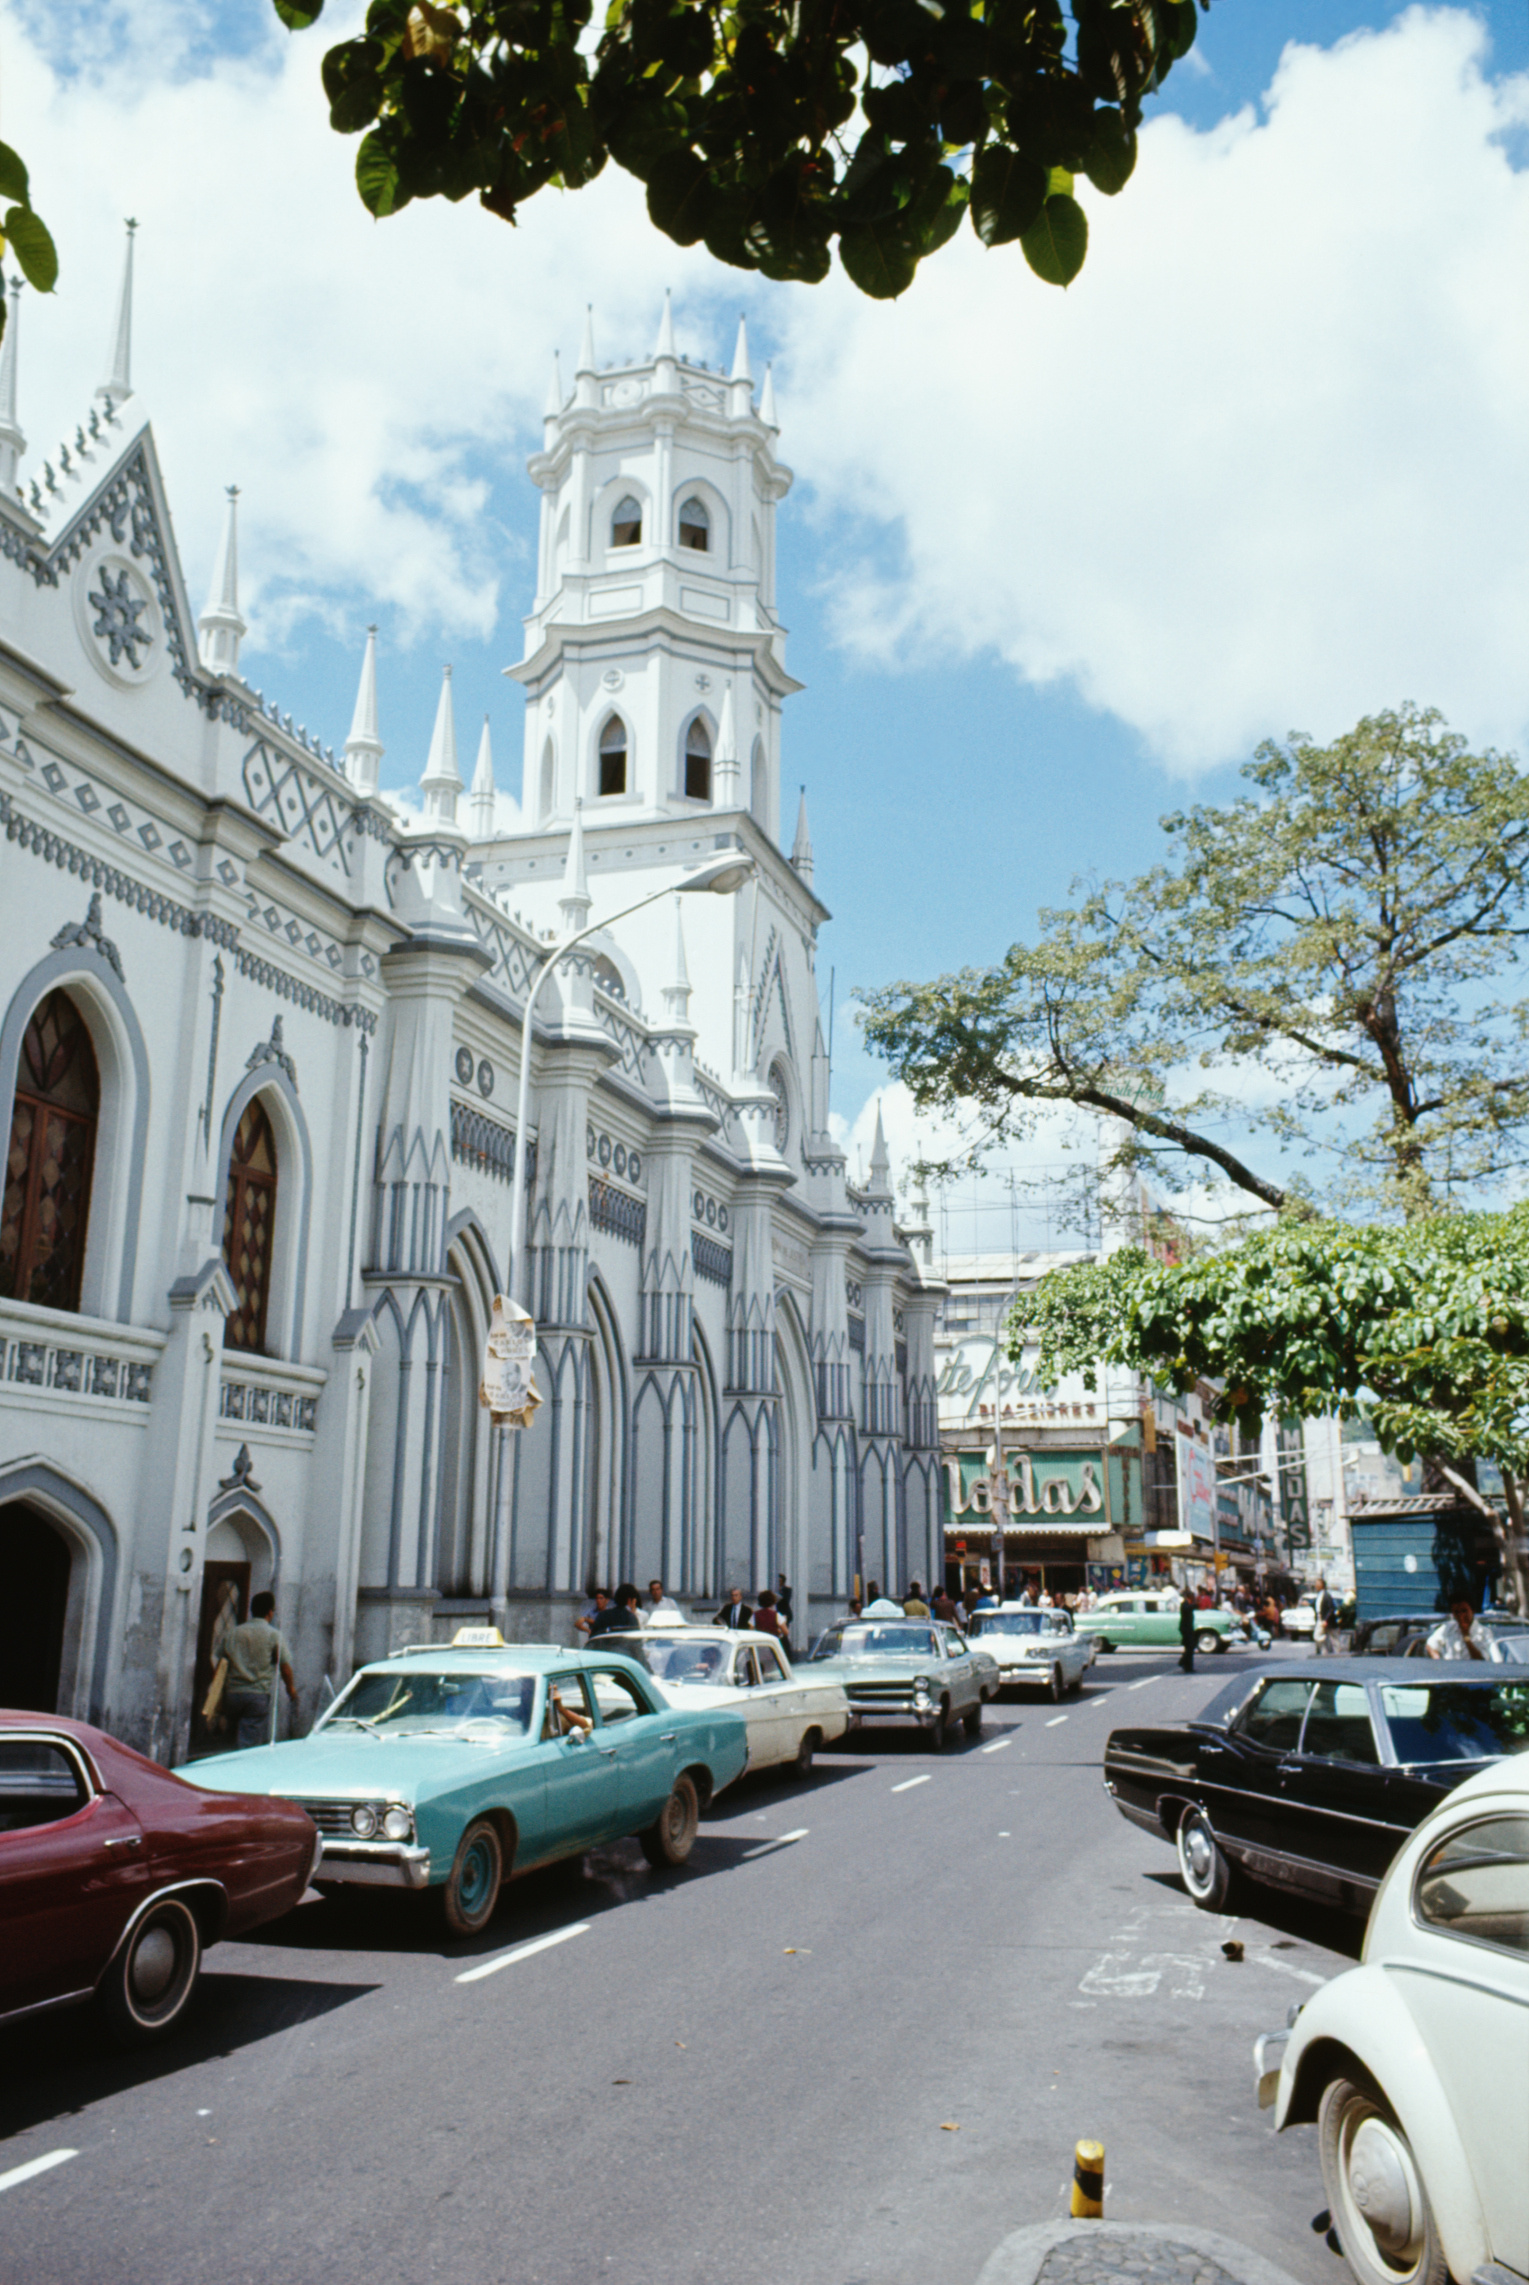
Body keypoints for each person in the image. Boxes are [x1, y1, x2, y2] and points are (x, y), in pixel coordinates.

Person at [222, 1590, 297, 1750]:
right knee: (248, 1743)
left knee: (229, 1739)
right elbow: (285, 1667)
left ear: (252, 1610)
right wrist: (291, 1689)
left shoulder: (233, 1633)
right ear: (270, 1612)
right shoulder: (274, 1635)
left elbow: (221, 1663)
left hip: (232, 1694)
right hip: (257, 1695)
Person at [1313, 1577, 1338, 1656]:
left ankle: (1337, 1654)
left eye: (1317, 1584)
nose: (1315, 1586)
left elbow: (1331, 1608)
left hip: (1325, 1620)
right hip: (1320, 1618)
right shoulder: (1319, 1595)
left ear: (1322, 1585)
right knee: (1317, 1636)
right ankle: (1324, 1652)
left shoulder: (1326, 1595)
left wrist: (1326, 1620)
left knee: (1334, 1638)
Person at [1178, 1586, 1197, 1675]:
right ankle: (1183, 1661)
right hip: (1185, 1629)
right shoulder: (1184, 1604)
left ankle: (1188, 1667)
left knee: (1190, 1648)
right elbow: (1186, 1609)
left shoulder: (1188, 1604)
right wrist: (1194, 1605)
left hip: (1189, 1628)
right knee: (1190, 1647)